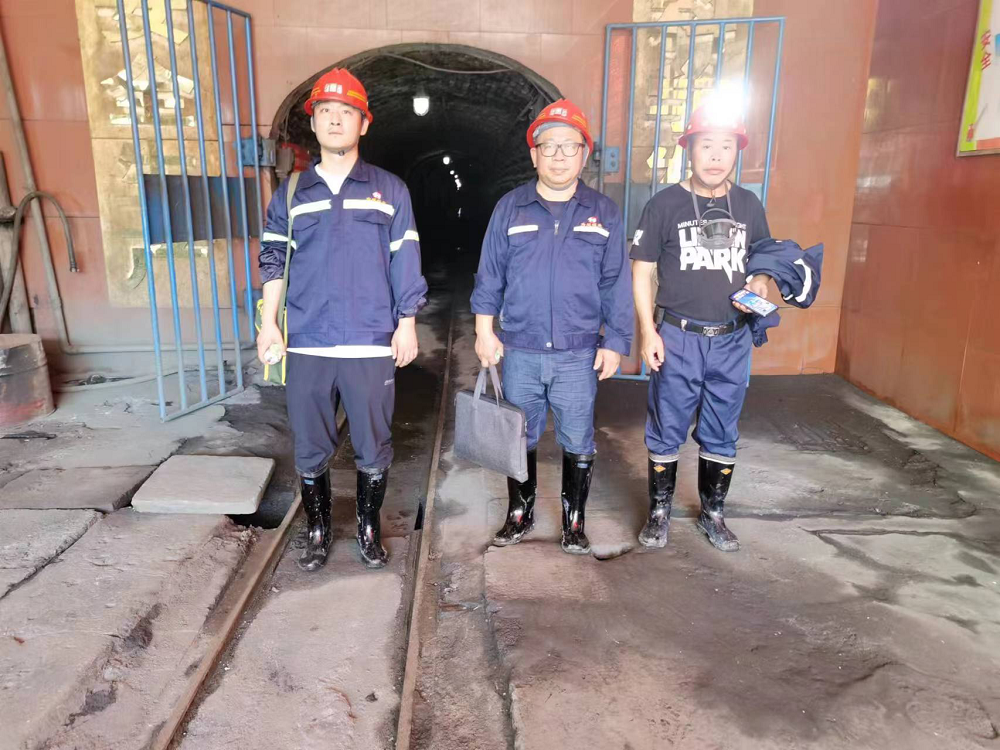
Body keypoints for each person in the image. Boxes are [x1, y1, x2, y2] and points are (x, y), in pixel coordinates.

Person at [256, 68, 428, 571]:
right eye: (326, 111)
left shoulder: (389, 190)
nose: (335, 119)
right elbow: (274, 260)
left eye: (346, 112)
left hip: (370, 339)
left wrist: (407, 321)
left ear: (363, 124)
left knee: (373, 445)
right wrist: (270, 324)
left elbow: (405, 258)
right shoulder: (291, 193)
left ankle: (369, 530)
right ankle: (318, 530)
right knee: (310, 446)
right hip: (307, 339)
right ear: (314, 123)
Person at [471, 99, 633, 555]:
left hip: (578, 352)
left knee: (578, 439)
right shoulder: (511, 208)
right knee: (517, 435)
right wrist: (484, 331)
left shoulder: (604, 212)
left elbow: (615, 282)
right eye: (549, 146)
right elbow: (490, 275)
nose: (559, 156)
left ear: (584, 153)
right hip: (520, 349)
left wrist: (615, 342)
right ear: (534, 154)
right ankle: (519, 514)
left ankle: (574, 522)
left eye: (569, 146)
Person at [630, 98, 772, 552]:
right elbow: (642, 271)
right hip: (679, 336)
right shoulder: (664, 204)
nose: (716, 156)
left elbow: (763, 260)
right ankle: (659, 514)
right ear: (689, 149)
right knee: (666, 425)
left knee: (722, 429)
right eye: (706, 145)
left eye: (726, 146)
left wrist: (761, 281)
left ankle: (713, 514)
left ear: (737, 151)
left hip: (731, 338)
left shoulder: (748, 204)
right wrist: (649, 332)